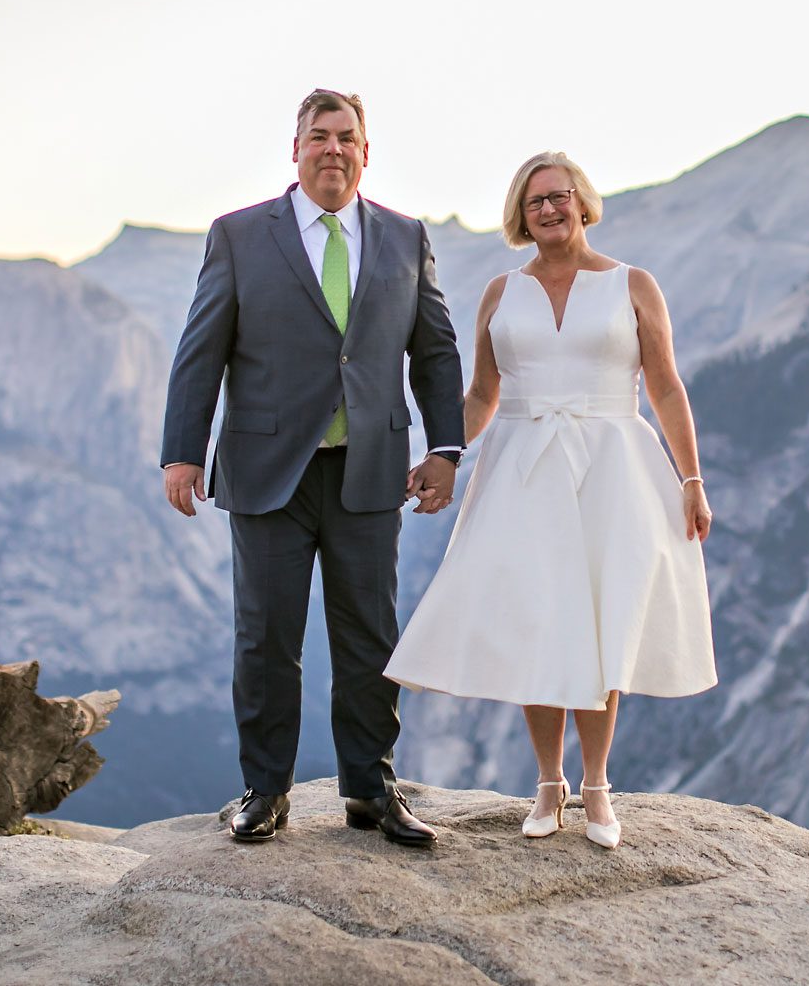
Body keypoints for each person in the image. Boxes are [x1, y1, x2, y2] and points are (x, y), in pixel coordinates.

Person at [385, 151, 717, 849]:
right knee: (537, 617)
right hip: (522, 465)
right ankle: (547, 780)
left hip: (611, 465)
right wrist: (445, 454)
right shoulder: (501, 292)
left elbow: (665, 387)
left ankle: (595, 785)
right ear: (520, 214)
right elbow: (481, 395)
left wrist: (691, 479)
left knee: (602, 615)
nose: (549, 209)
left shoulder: (633, 284)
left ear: (582, 202)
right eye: (535, 201)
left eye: (559, 196)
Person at [160, 89, 465, 847]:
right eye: (320, 136)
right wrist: (181, 451)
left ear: (368, 152)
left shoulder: (403, 236)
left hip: (371, 470)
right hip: (268, 471)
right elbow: (202, 350)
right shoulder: (238, 236)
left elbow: (434, 351)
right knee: (267, 639)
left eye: (348, 138)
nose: (335, 149)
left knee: (370, 638)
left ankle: (371, 790)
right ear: (294, 149)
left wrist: (446, 448)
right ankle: (266, 790)